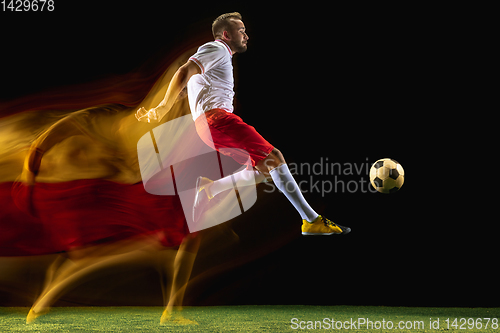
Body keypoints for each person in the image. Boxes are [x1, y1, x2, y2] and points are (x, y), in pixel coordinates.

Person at [137, 12, 350, 236]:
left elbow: (193, 80)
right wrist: (162, 107)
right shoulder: (217, 48)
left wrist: (182, 97)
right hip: (216, 121)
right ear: (226, 34)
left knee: (265, 170)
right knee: (274, 158)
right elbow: (184, 71)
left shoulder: (218, 57)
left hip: (210, 126)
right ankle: (311, 220)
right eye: (241, 31)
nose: (246, 36)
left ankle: (210, 189)